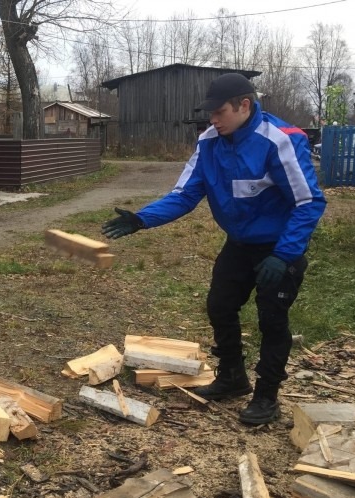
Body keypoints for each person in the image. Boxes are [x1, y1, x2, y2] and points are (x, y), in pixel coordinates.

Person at [101, 73, 326, 425]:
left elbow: (309, 202)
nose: (212, 119)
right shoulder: (209, 143)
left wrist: (284, 255)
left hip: (279, 247)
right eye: (210, 113)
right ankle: (233, 377)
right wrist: (142, 220)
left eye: (219, 112)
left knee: (272, 318)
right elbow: (186, 194)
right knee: (219, 306)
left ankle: (267, 397)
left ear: (244, 105)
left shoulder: (279, 141)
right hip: (239, 244)